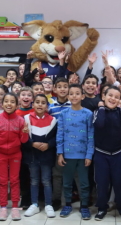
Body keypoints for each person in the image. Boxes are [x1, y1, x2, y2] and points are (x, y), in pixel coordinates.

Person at [93, 85, 121, 221]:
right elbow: (99, 124)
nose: (113, 99)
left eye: (117, 97)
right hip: (101, 153)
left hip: (118, 153)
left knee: (119, 182)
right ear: (103, 97)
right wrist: (101, 107)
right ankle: (101, 208)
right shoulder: (98, 110)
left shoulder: (120, 111)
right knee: (102, 183)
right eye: (110, 95)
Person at [0, 93, 29, 221]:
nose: (9, 104)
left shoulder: (21, 120)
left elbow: (24, 141)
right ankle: (3, 207)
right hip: (0, 154)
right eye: (6, 101)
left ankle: (15, 207)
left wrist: (25, 133)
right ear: (2, 103)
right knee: (2, 181)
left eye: (12, 102)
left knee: (15, 180)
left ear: (17, 105)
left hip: (16, 154)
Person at [56, 84, 94, 220]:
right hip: (67, 155)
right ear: (67, 96)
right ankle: (67, 205)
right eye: (71, 94)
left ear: (82, 96)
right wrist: (60, 153)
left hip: (83, 155)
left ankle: (84, 206)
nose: (74, 96)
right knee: (67, 182)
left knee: (84, 183)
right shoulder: (63, 114)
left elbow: (91, 135)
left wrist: (89, 155)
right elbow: (59, 134)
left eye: (77, 93)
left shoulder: (88, 114)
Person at [23, 94, 57, 218]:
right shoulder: (26, 119)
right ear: (33, 104)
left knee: (47, 181)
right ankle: (34, 204)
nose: (40, 105)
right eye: (37, 102)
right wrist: (32, 144)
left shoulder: (52, 120)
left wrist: (48, 145)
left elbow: (55, 138)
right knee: (34, 180)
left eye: (43, 103)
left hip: (46, 156)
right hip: (32, 156)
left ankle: (48, 204)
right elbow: (23, 138)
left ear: (47, 106)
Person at [48, 77, 71, 211]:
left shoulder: (73, 105)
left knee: (72, 174)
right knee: (57, 174)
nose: (62, 89)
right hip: (55, 145)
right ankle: (56, 199)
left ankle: (70, 199)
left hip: (71, 144)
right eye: (59, 86)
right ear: (54, 89)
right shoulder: (50, 106)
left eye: (65, 86)